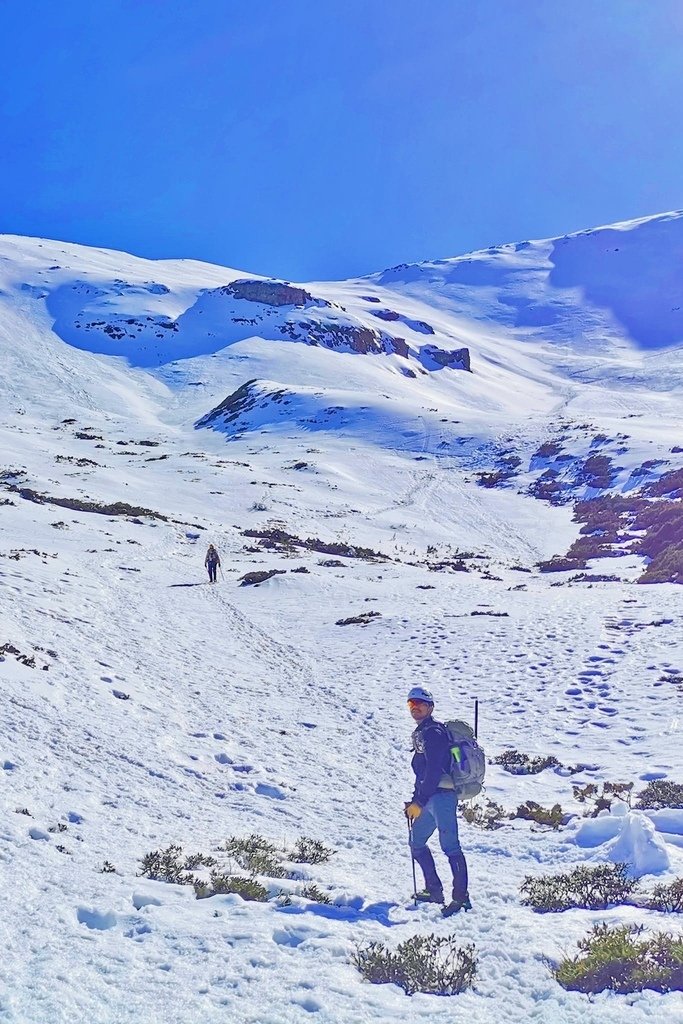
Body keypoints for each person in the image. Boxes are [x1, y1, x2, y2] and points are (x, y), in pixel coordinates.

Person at [404, 685, 471, 915]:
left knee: (451, 847)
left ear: (430, 707)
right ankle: (434, 890)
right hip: (430, 797)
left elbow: (433, 770)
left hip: (442, 798)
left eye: (421, 704)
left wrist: (418, 802)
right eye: (411, 704)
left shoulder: (433, 733)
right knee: (417, 841)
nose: (416, 709)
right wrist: (416, 800)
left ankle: (461, 898)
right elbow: (422, 772)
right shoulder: (423, 732)